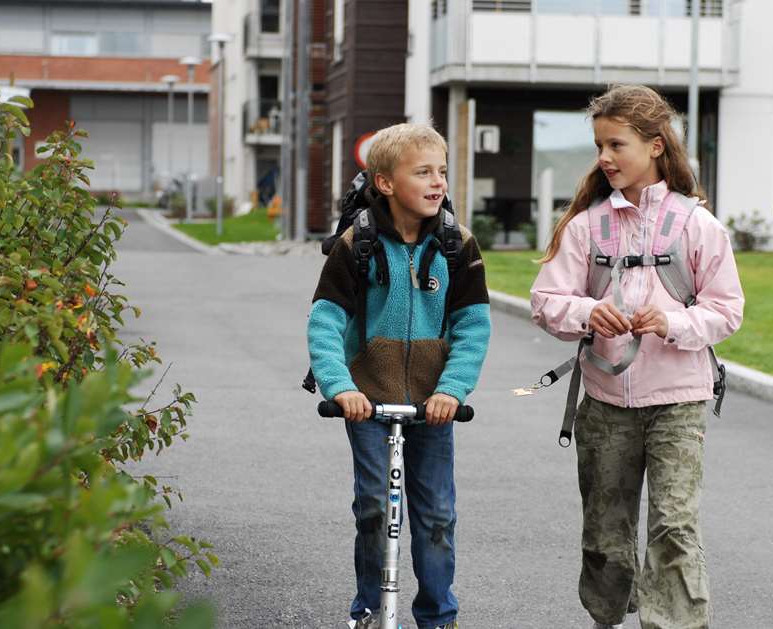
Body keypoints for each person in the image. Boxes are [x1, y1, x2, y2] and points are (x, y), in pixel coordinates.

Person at [530, 85, 744, 629]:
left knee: (674, 527)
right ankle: (607, 615)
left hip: (678, 402)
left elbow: (727, 311)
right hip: (604, 406)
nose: (604, 158)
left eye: (616, 145)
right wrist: (587, 312)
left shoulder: (697, 225)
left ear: (654, 146)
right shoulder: (586, 226)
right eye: (599, 145)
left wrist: (673, 322)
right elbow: (546, 301)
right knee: (605, 534)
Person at [307, 122, 491, 629]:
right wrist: (341, 387)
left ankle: (438, 616)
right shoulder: (357, 243)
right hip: (367, 400)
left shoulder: (458, 245)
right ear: (385, 183)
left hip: (433, 406)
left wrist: (452, 390)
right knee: (373, 508)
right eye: (423, 172)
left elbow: (473, 326)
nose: (438, 183)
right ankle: (368, 609)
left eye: (442, 172)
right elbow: (325, 321)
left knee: (435, 516)